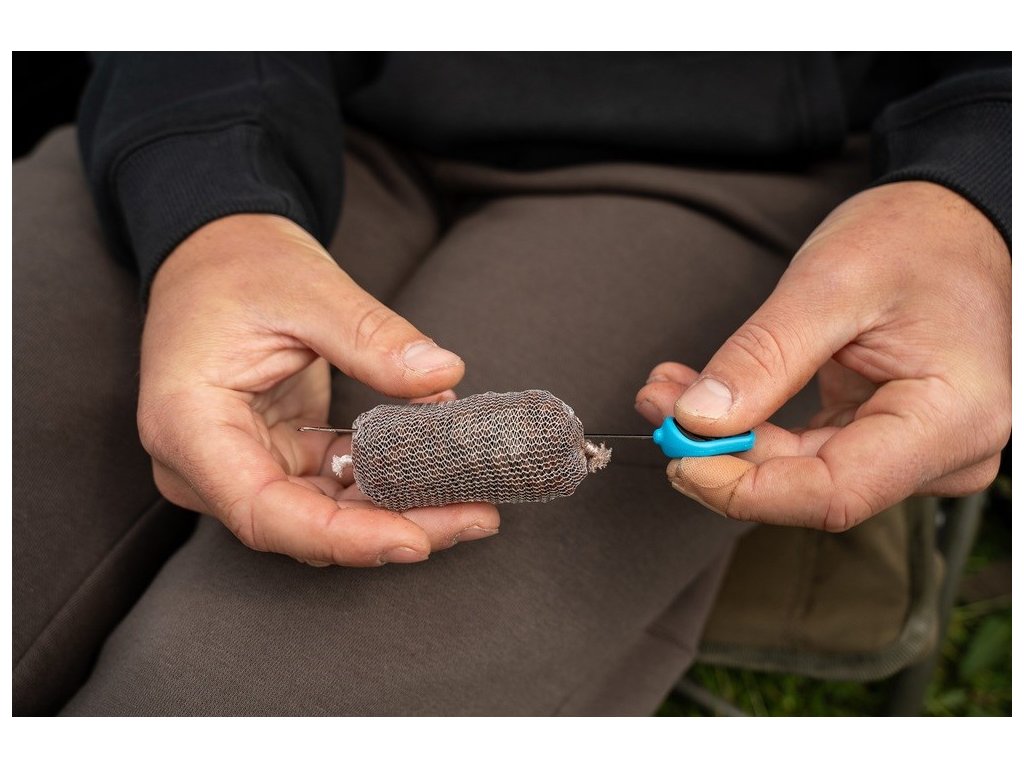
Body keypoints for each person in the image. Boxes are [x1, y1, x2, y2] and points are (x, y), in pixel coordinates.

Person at [13, 53, 1010, 715]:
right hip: (264, 107)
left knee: (241, 692)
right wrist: (206, 202)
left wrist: (975, 192)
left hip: (734, 159)